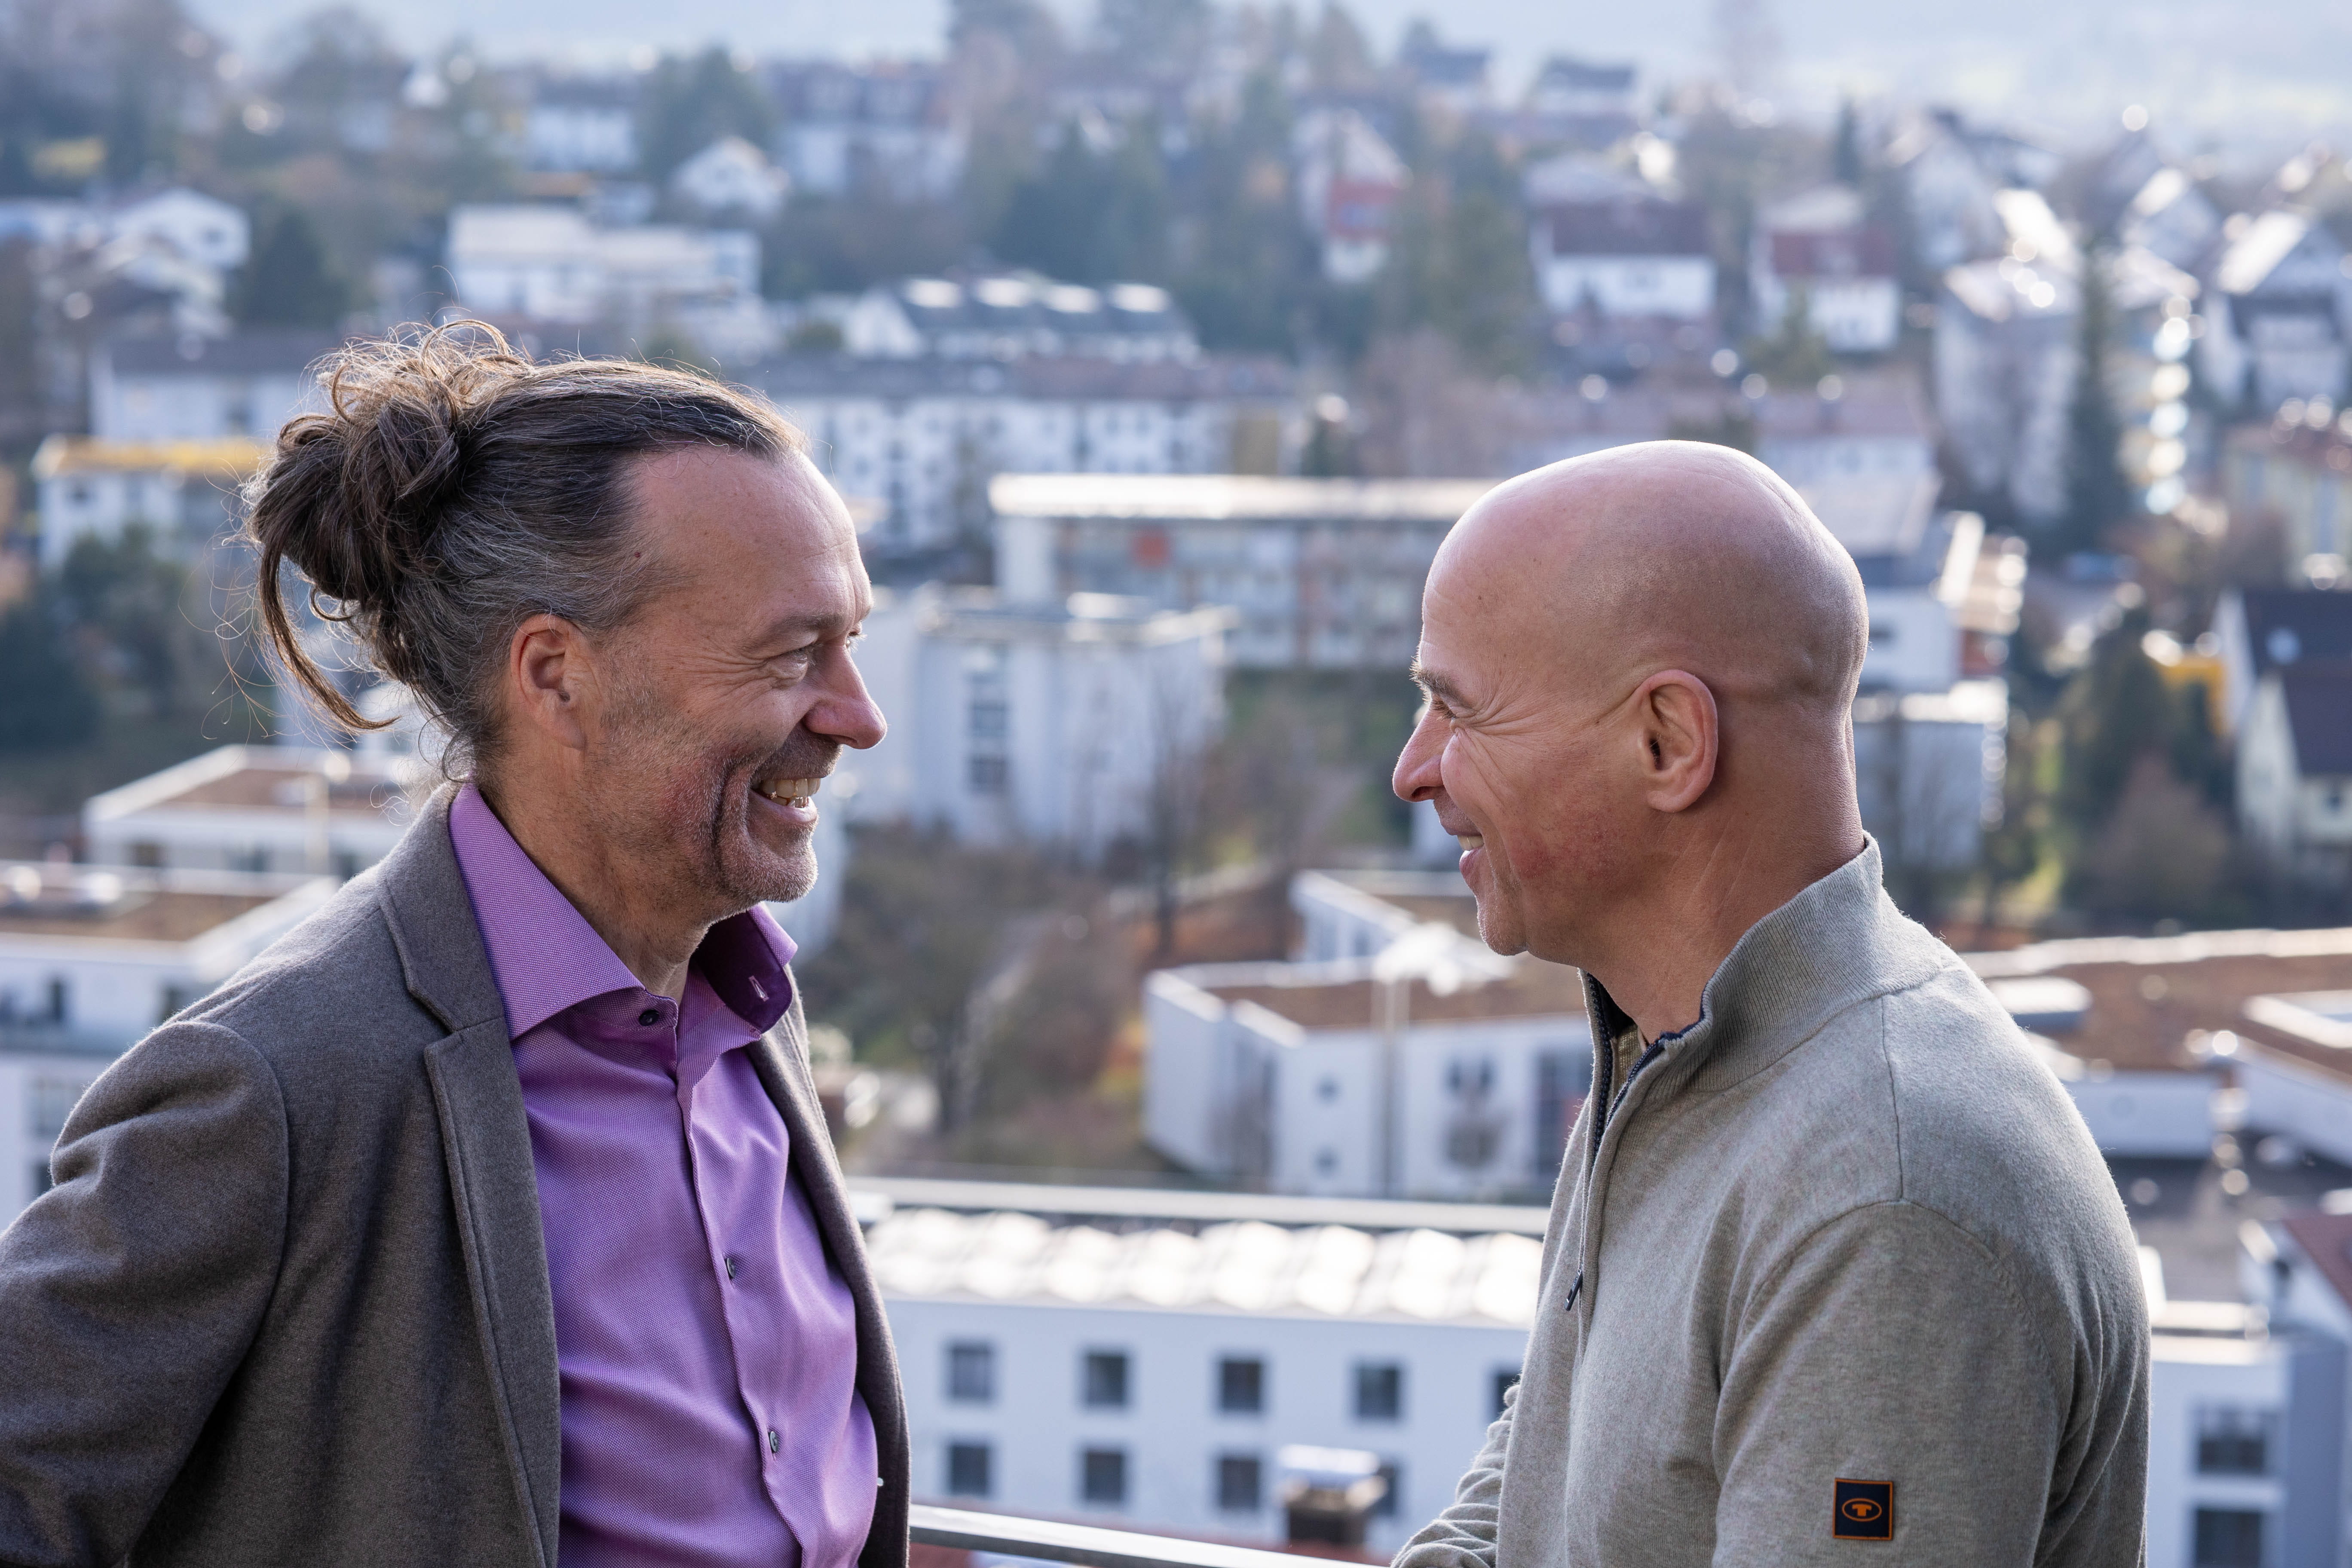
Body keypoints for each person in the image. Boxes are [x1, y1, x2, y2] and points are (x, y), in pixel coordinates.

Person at [0, 325, 907, 1568]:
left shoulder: (748, 1005)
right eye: (794, 652)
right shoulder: (271, 1089)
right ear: (556, 676)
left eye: (853, 641)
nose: (859, 716)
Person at [1390, 442, 2147, 1565]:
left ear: (1669, 742)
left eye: (1460, 712)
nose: (1415, 769)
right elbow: (1540, 1498)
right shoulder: (1675, 1050)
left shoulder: (1884, 1201)